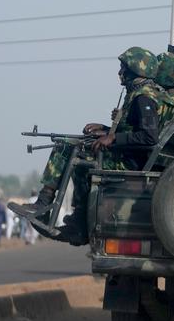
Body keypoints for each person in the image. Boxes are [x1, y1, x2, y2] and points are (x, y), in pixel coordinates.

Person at [9, 47, 165, 245]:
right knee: (75, 148)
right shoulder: (141, 93)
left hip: (130, 163)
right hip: (129, 156)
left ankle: (49, 207)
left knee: (67, 149)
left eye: (123, 68)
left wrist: (113, 139)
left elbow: (149, 137)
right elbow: (136, 129)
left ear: (136, 70)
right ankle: (71, 219)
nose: (120, 73)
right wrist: (107, 130)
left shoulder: (144, 97)